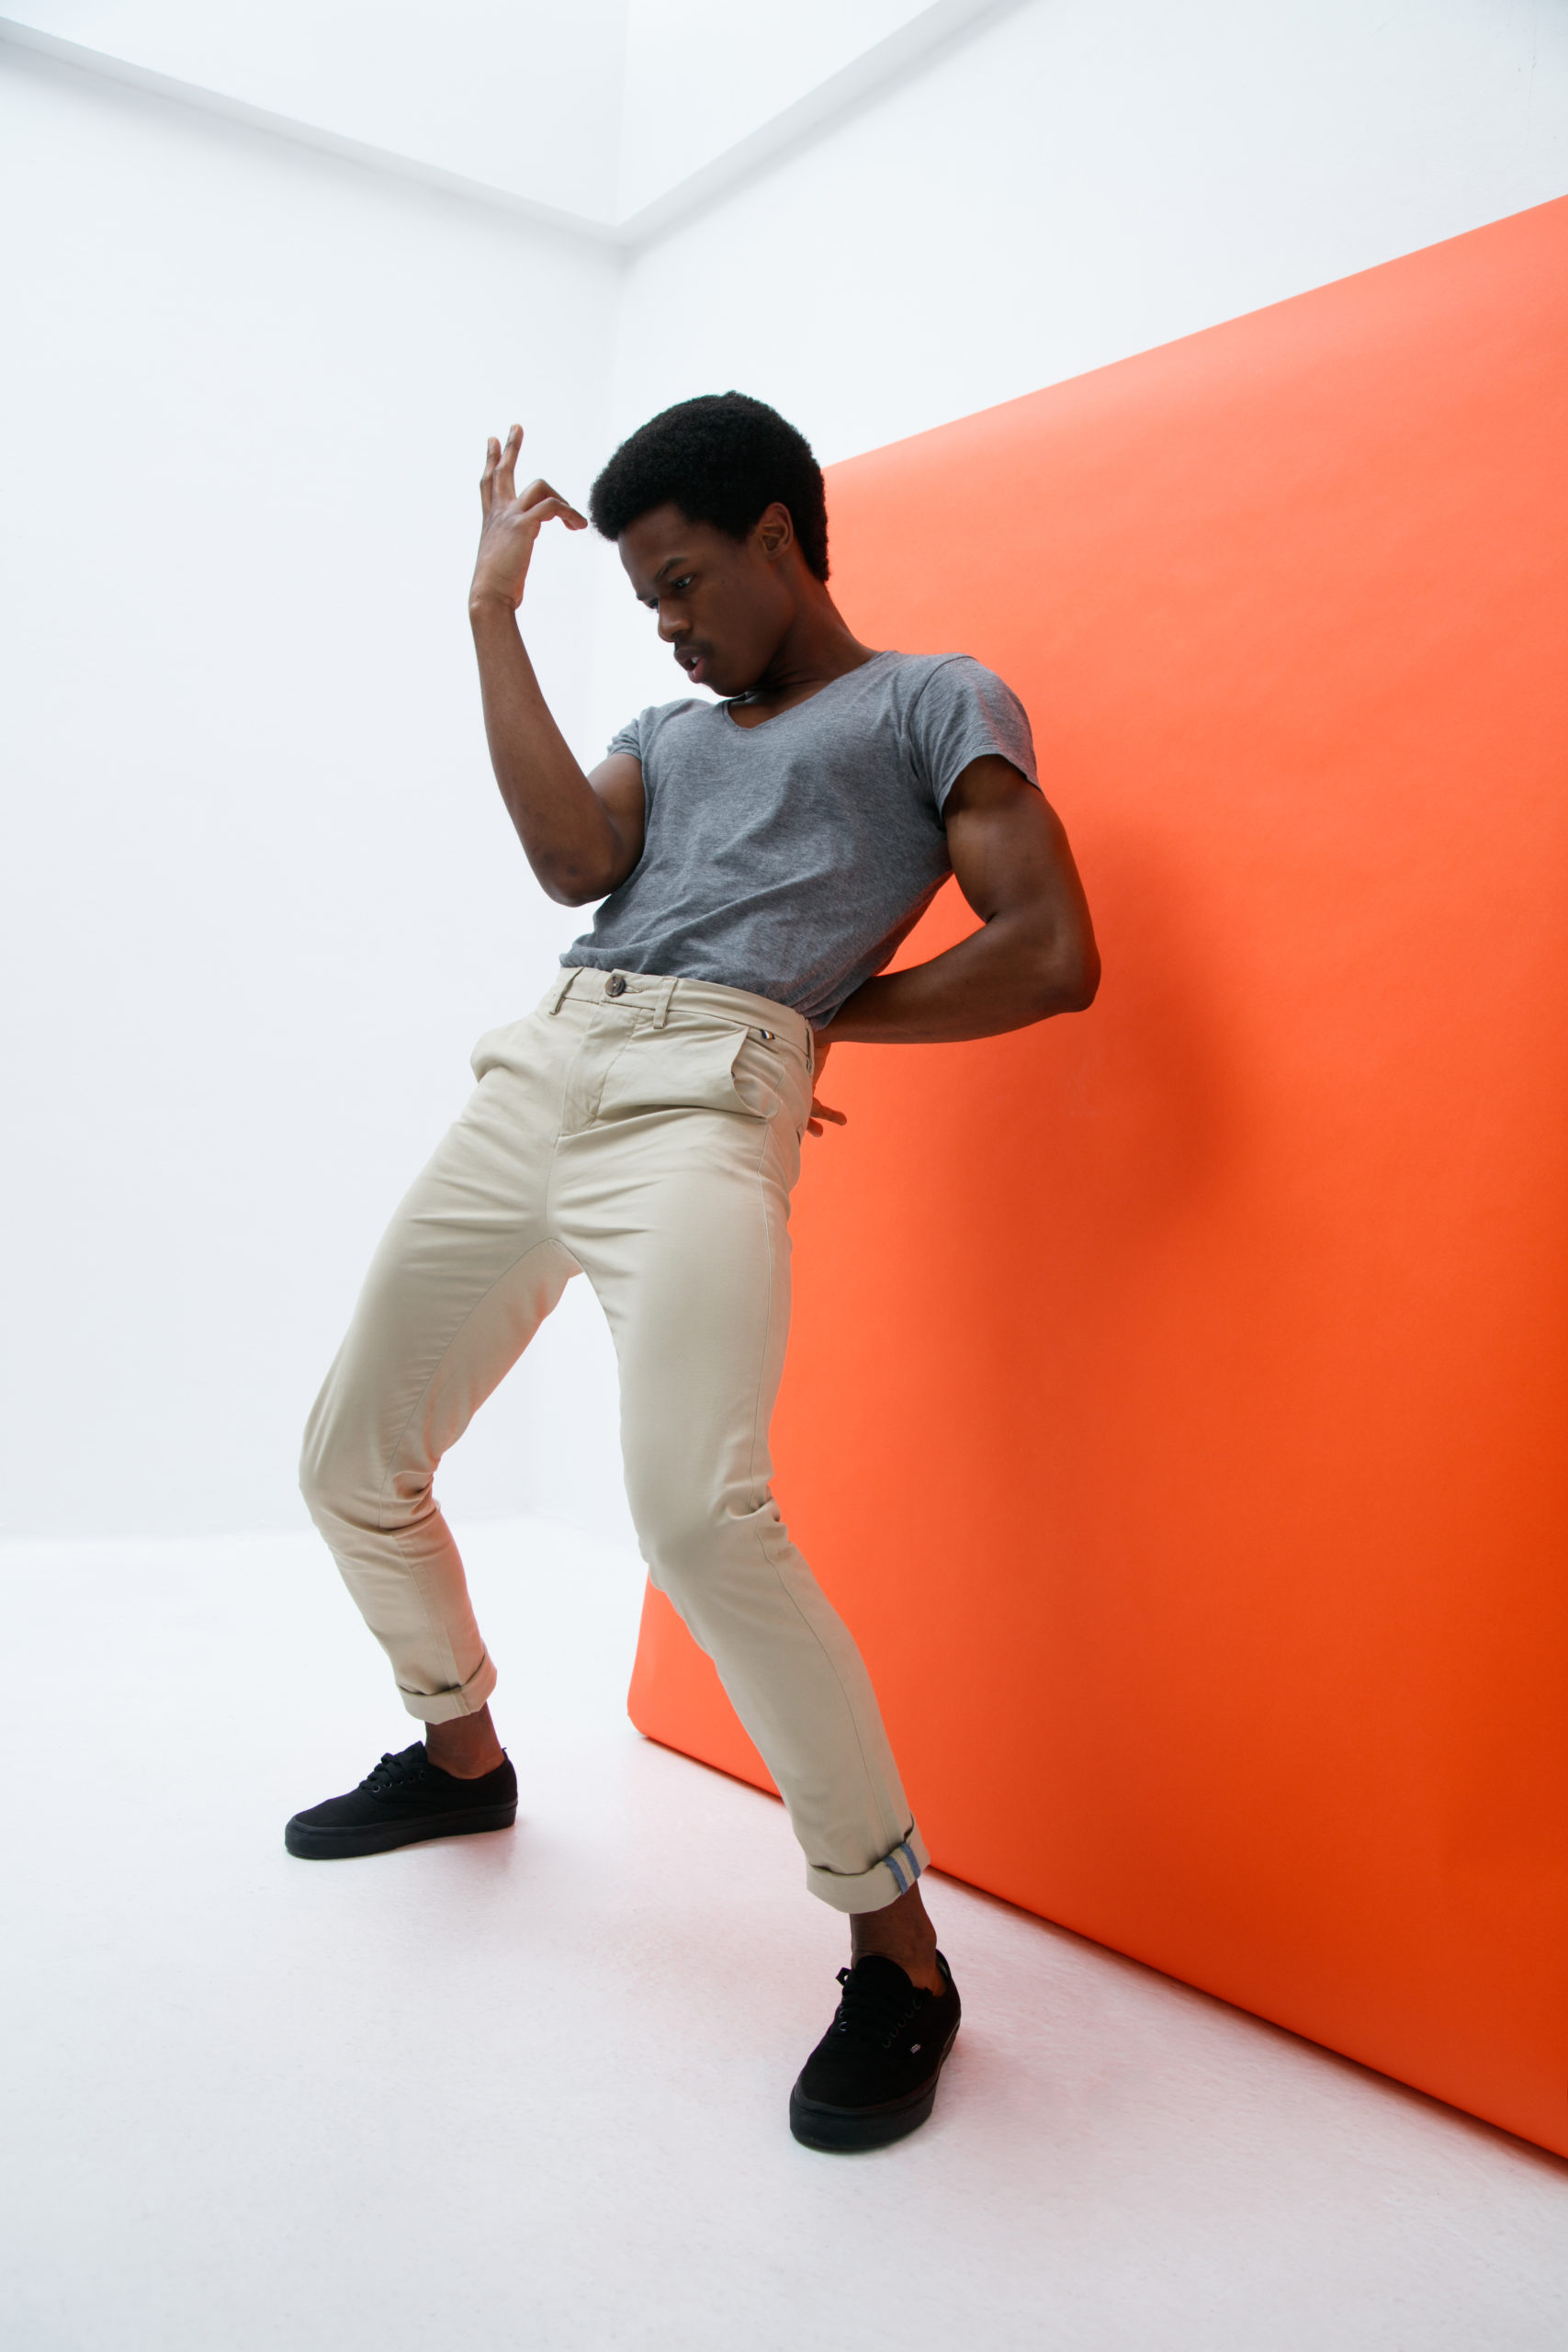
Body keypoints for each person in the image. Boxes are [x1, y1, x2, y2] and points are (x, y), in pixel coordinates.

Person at [288, 393, 1099, 2151]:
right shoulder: (667, 728)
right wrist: (491, 612)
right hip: (543, 1066)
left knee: (699, 1518)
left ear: (778, 539)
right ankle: (458, 1756)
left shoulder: (932, 700)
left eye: (680, 581)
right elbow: (571, 863)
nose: (664, 621)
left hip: (706, 1103)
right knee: (348, 1458)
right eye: (645, 594)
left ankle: (898, 1953)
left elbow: (1050, 950)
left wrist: (812, 1019)